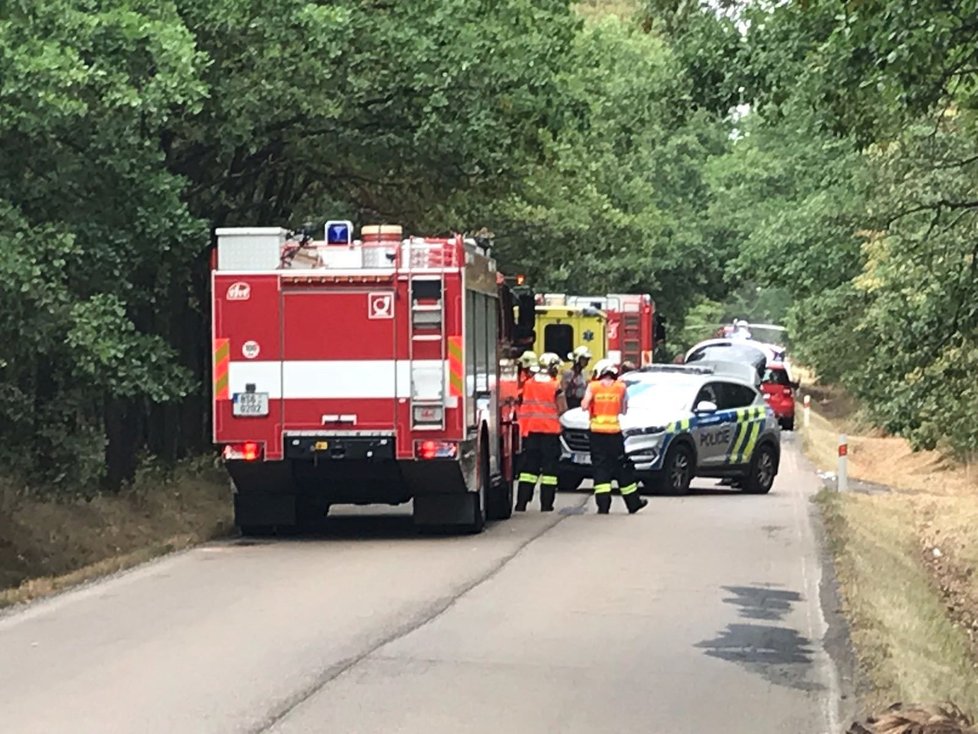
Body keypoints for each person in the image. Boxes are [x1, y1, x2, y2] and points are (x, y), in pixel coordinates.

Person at [582, 359, 647, 515]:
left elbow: (584, 405)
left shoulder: (593, 387)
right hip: (614, 433)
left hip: (597, 433)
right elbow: (624, 410)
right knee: (622, 467)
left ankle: (603, 506)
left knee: (600, 468)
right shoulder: (621, 387)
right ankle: (633, 503)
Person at [515, 353, 567, 512]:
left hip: (530, 431)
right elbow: (562, 409)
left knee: (528, 470)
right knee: (549, 472)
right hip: (550, 432)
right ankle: (546, 504)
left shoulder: (528, 383)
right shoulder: (555, 385)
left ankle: (521, 503)